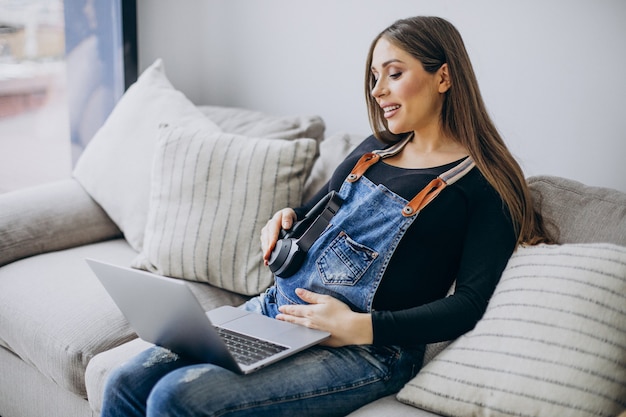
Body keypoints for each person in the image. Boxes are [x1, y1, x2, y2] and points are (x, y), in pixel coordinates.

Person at [100, 16, 551, 417]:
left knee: (178, 399)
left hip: (368, 351)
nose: (377, 91)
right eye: (375, 77)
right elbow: (318, 214)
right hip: (276, 312)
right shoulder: (373, 149)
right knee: (126, 381)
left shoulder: (484, 185)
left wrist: (359, 326)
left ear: (444, 77)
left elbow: (470, 305)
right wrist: (284, 218)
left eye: (394, 74)